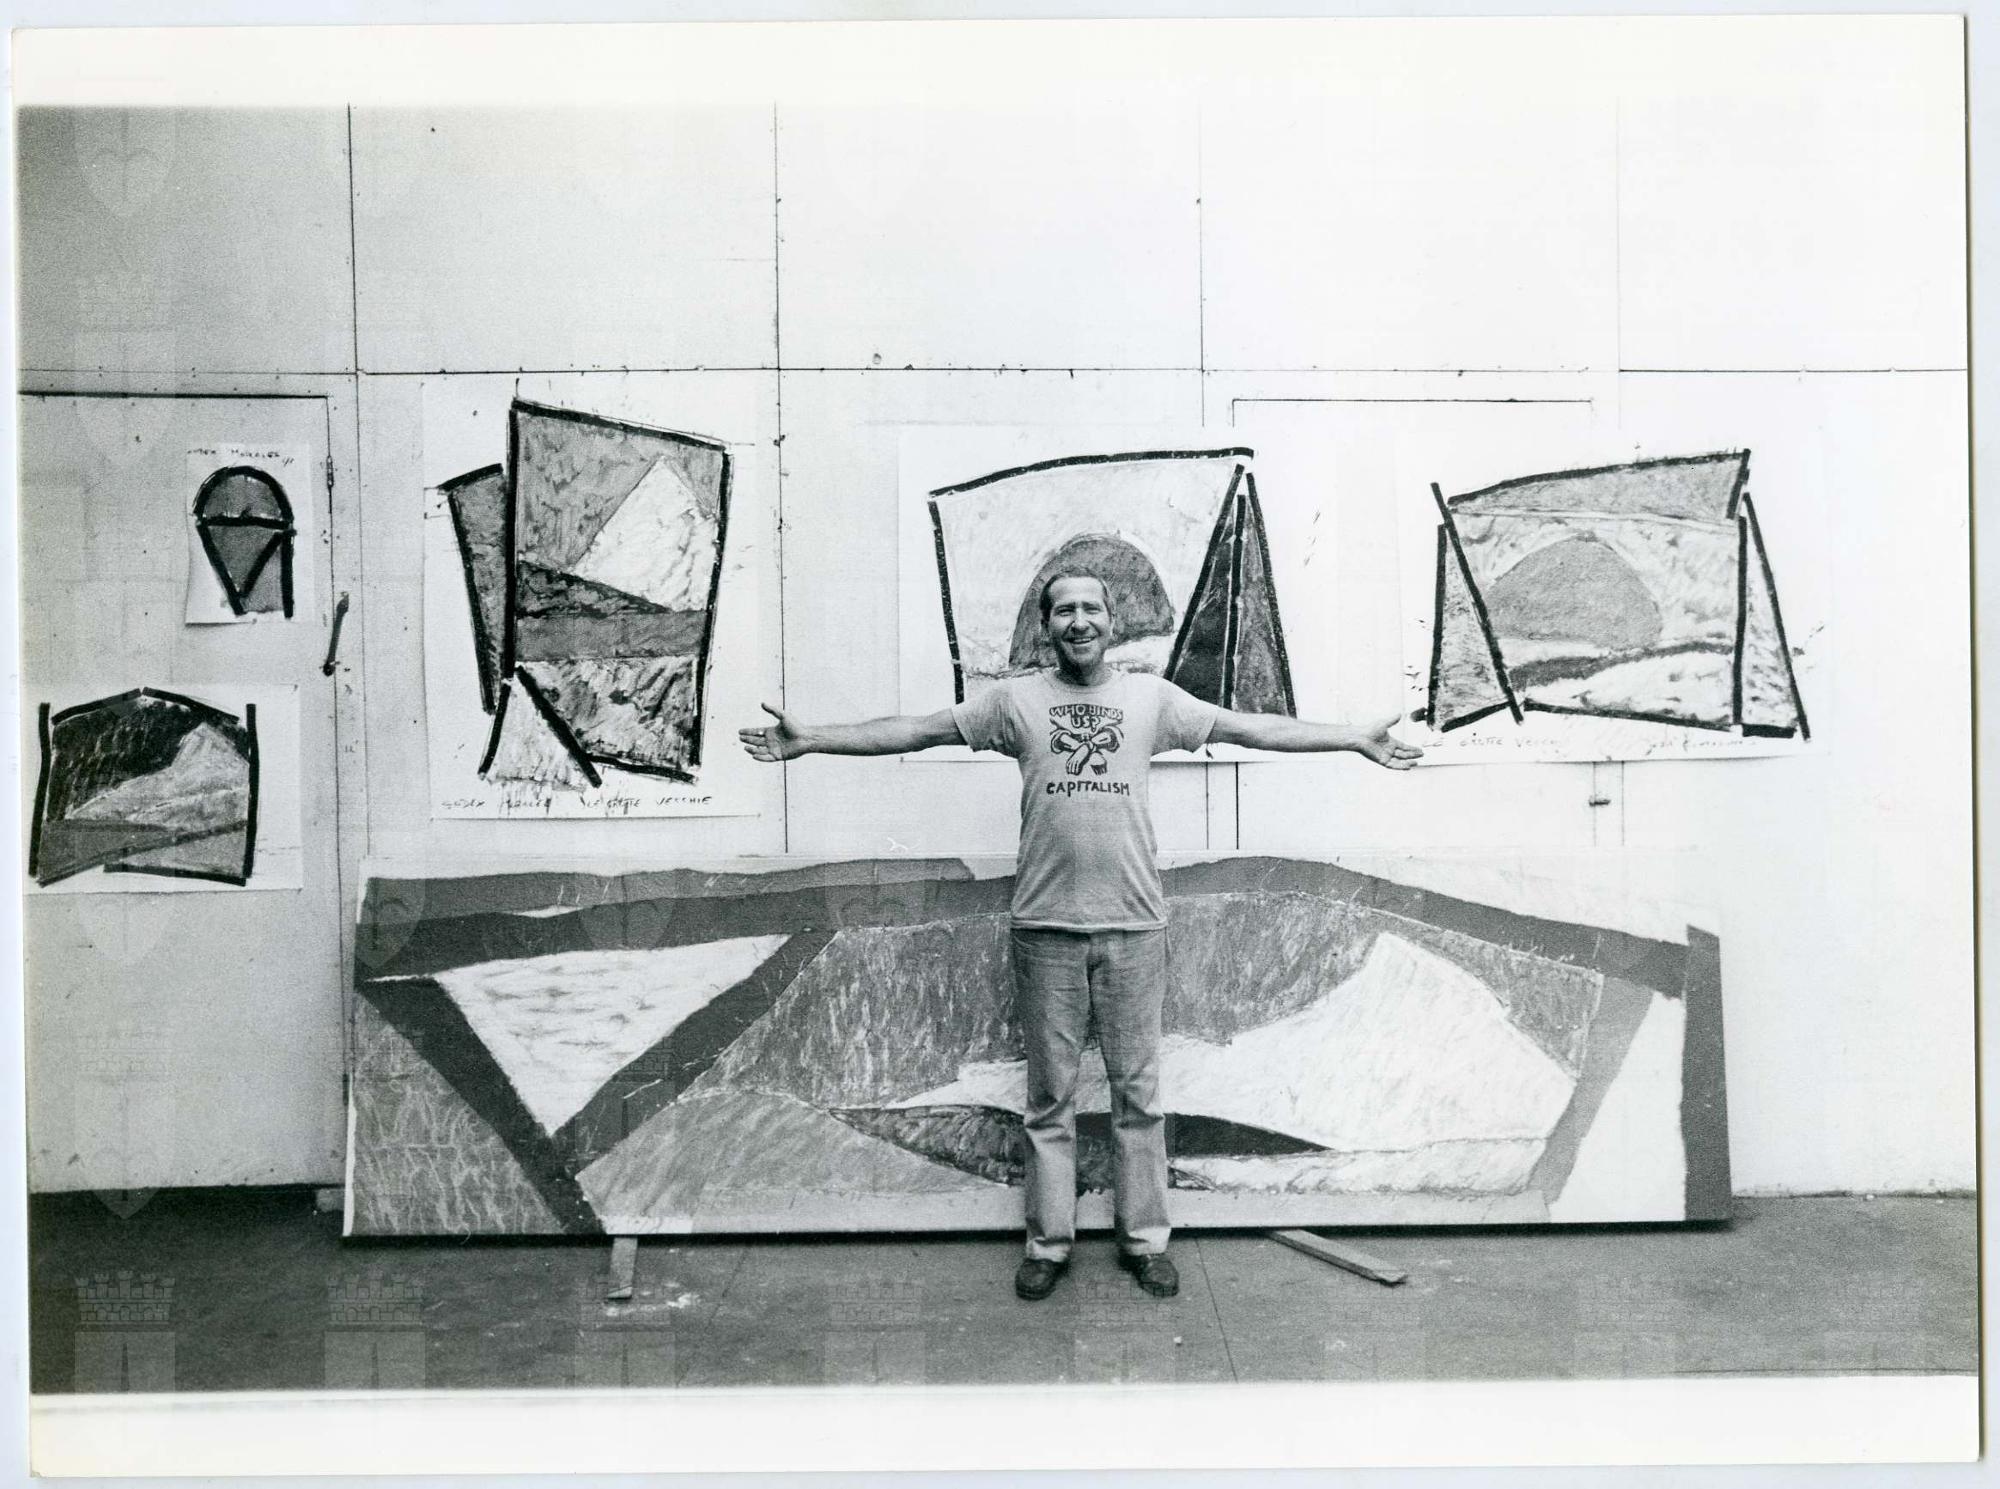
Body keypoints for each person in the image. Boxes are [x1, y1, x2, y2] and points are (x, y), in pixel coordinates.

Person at [741, 573, 1421, 1301]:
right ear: (1048, 625)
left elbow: (1249, 726)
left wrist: (1352, 738)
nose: (1078, 620)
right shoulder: (1013, 702)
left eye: (1091, 607)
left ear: (1111, 620)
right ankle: (1048, 1244)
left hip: (1134, 926)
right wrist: (812, 740)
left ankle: (1145, 1241)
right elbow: (918, 729)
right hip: (1046, 930)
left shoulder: (1151, 699)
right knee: (1050, 1099)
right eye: (1064, 609)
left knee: (1138, 1097)